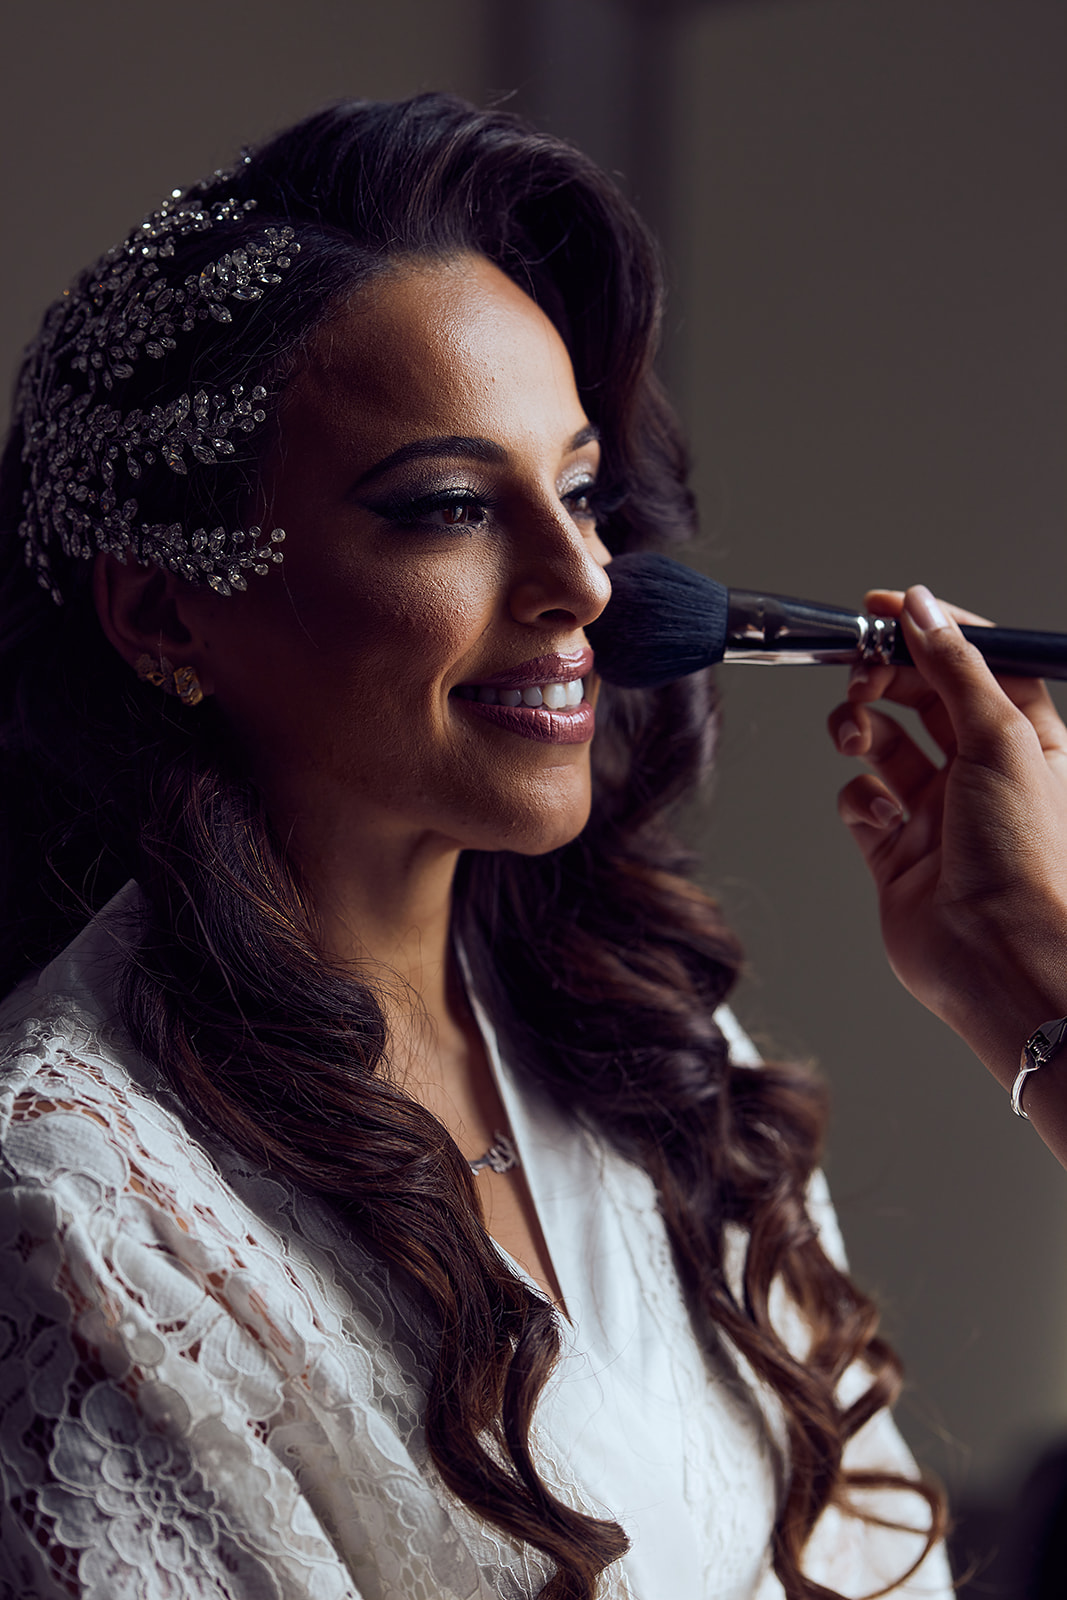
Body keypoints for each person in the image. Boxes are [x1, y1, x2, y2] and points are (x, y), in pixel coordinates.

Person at [0, 91, 1058, 1600]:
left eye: (575, 492)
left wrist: (1036, 992)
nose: (586, 581)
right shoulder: (77, 1221)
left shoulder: (649, 1044)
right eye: (445, 508)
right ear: (164, 611)